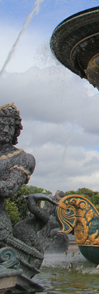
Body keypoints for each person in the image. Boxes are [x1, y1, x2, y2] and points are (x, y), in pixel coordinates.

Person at [0, 103, 36, 242]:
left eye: (10, 126)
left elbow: (9, 188)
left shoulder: (23, 159)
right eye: (2, 125)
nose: (6, 130)